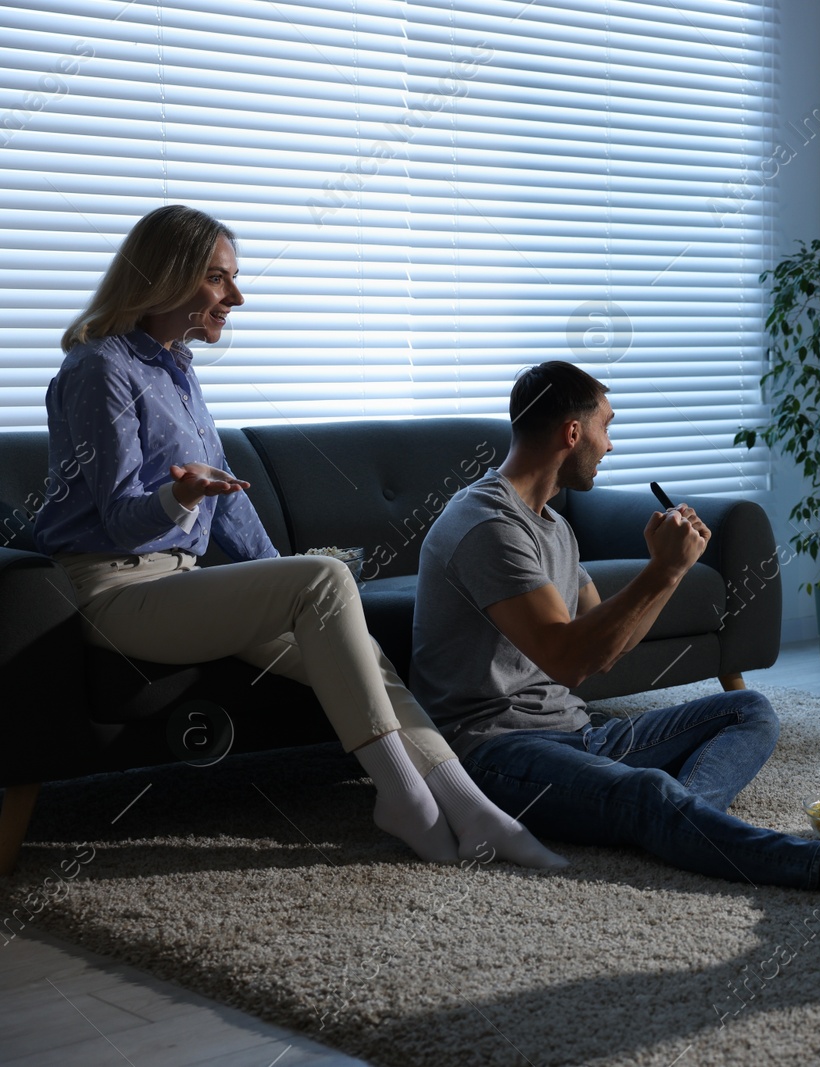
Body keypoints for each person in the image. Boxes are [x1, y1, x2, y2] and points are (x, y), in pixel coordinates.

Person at [32, 205, 565, 870]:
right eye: (220, 278)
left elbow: (226, 509)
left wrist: (287, 580)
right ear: (168, 275)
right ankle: (401, 797)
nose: (237, 296)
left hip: (179, 583)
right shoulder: (98, 369)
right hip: (112, 590)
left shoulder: (178, 369)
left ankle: (470, 806)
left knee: (352, 637)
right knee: (322, 579)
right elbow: (120, 515)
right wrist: (182, 495)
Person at [408, 360, 820, 899]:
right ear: (573, 433)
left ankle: (673, 823)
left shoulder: (552, 525)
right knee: (645, 793)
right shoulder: (489, 526)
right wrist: (661, 569)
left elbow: (608, 649)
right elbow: (569, 661)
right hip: (494, 753)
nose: (610, 445)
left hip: (578, 734)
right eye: (606, 426)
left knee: (748, 710)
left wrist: (673, 570)